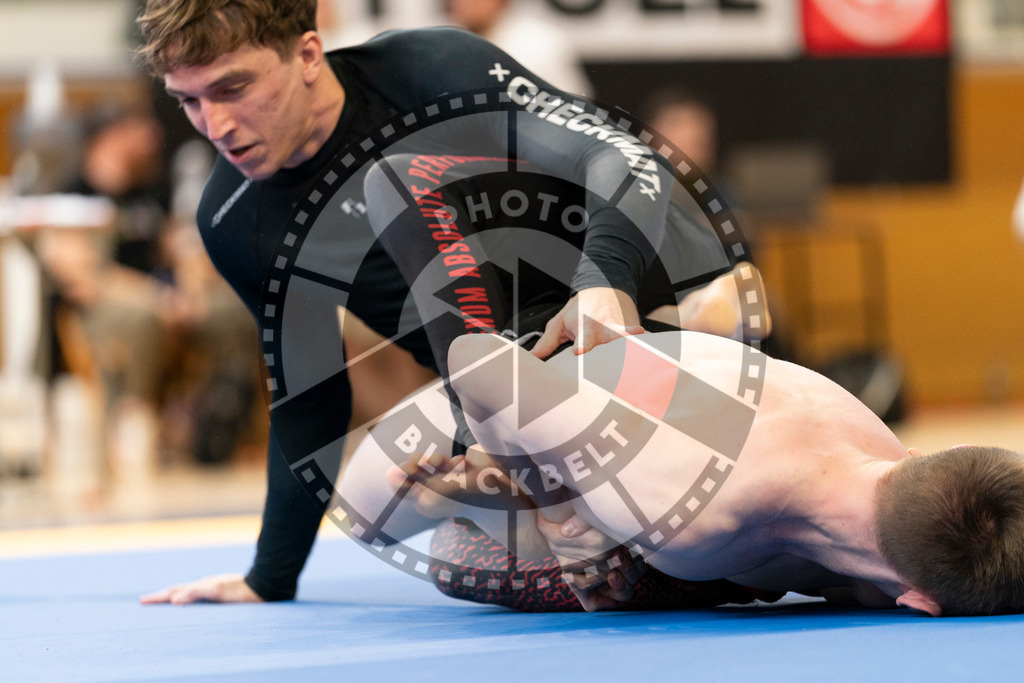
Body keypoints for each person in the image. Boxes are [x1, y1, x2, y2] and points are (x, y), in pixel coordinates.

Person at [134, 0, 752, 605]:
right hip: (501, 392)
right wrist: (268, 577)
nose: (215, 125)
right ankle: (529, 483)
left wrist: (603, 280)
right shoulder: (235, 220)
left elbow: (622, 154)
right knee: (367, 509)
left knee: (398, 182)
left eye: (233, 88)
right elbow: (310, 398)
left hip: (618, 308)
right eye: (189, 101)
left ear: (308, 54)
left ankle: (683, 330)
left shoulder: (429, 70)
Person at [391, 329, 1024, 617]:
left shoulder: (883, 452)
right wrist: (557, 518)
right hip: (553, 396)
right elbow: (475, 359)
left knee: (849, 576)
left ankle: (503, 488)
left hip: (648, 413)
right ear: (920, 602)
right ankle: (478, 493)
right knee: (486, 559)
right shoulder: (689, 507)